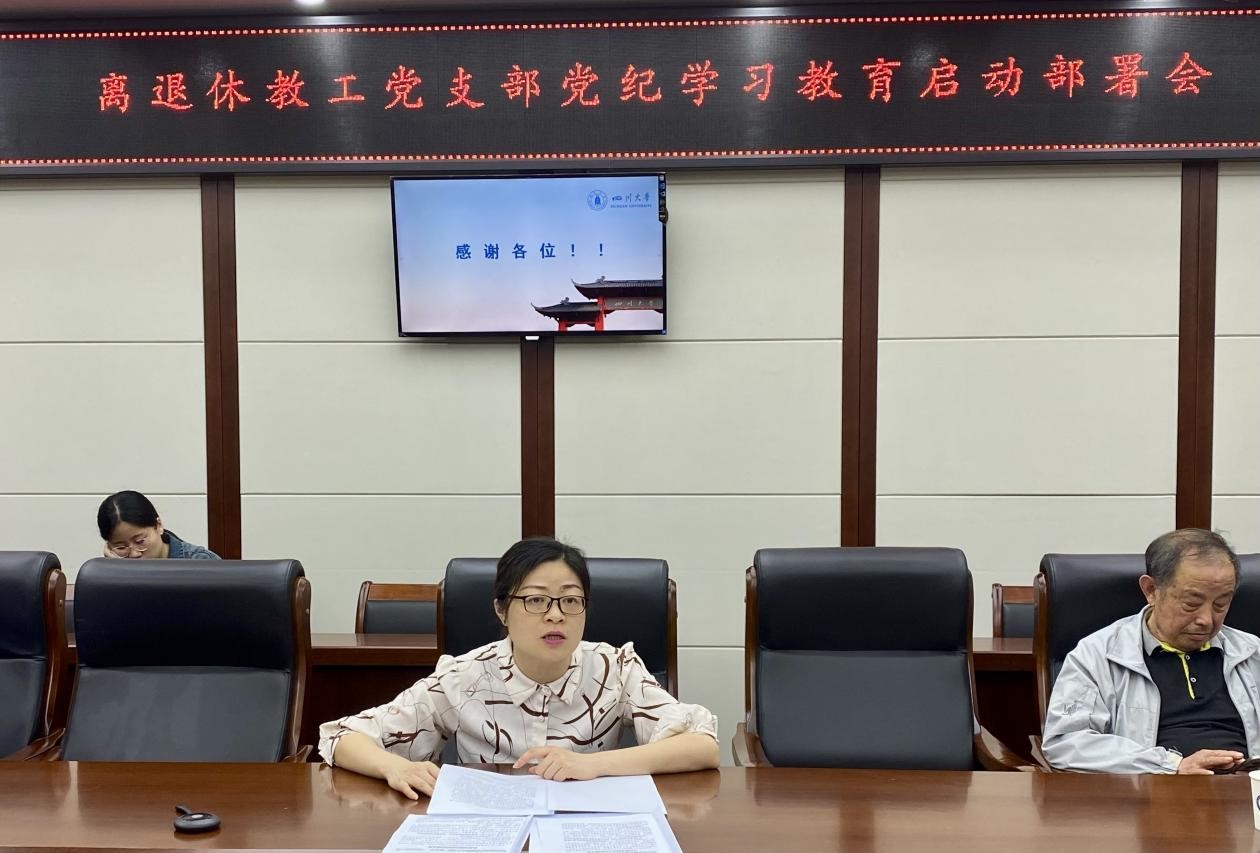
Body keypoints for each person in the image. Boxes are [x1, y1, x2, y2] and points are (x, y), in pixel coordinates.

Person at [318, 537, 719, 799]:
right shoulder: (464, 677)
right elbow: (343, 737)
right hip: (487, 832)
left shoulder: (614, 668)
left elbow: (702, 745)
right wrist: (394, 767)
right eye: (536, 600)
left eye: (570, 600)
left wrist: (590, 765)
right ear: (502, 610)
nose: (555, 615)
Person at [1043, 529, 1260, 773]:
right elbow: (1066, 742)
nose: (1206, 620)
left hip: (1247, 789)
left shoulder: (1252, 652)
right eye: (1191, 604)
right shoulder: (1098, 654)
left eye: (1221, 604)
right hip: (1152, 789)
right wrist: (1172, 765)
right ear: (1151, 590)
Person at [97, 490, 219, 560]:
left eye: (140, 542)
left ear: (158, 526)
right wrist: (117, 574)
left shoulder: (200, 562)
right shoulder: (107, 574)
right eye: (121, 548)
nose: (134, 554)